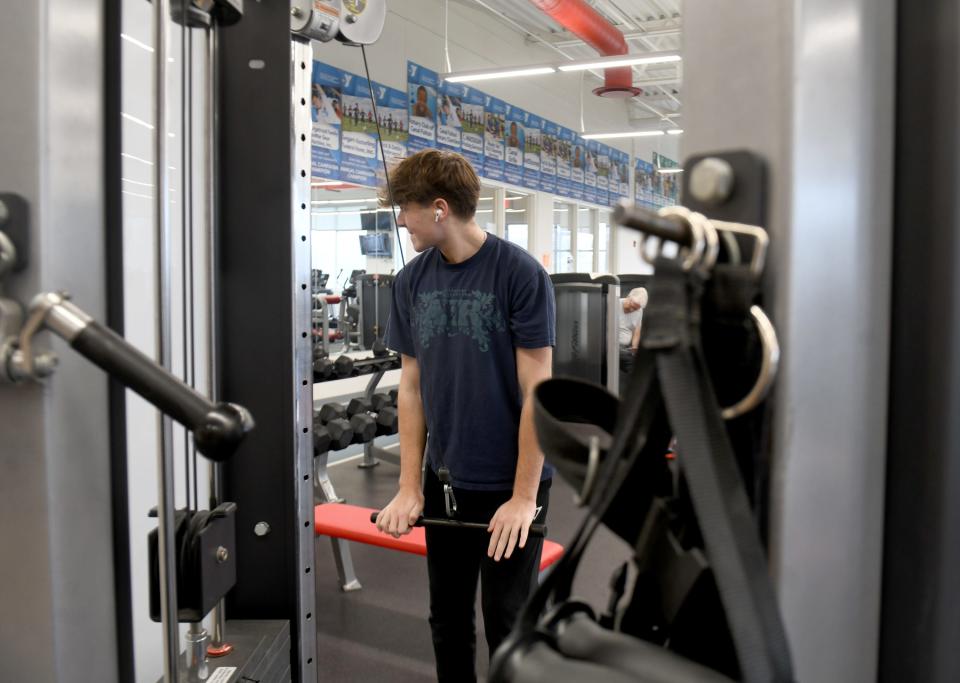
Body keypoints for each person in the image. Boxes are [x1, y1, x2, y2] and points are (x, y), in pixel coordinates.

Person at [374, 149, 556, 683]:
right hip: (446, 481)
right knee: (447, 619)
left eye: (404, 209)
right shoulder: (411, 282)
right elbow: (411, 388)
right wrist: (410, 487)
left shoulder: (519, 273)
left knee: (507, 620)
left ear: (437, 209)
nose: (400, 221)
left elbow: (537, 392)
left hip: (511, 483)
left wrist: (523, 498)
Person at [618, 287, 648, 376]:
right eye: (632, 306)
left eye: (635, 309)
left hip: (625, 348)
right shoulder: (614, 303)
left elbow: (637, 331)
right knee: (635, 367)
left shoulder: (639, 310)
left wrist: (634, 348)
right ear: (628, 296)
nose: (632, 310)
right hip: (612, 347)